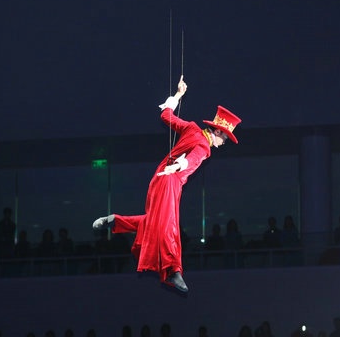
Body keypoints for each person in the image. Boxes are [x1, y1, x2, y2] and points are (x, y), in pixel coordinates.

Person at [92, 76, 241, 292]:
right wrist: (178, 166)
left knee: (155, 223)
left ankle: (116, 221)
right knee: (170, 226)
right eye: (224, 138)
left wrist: (178, 94)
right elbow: (193, 159)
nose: (223, 143)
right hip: (170, 180)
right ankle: (173, 270)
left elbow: (166, 116)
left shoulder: (191, 128)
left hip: (159, 178)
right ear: (217, 131)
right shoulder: (204, 147)